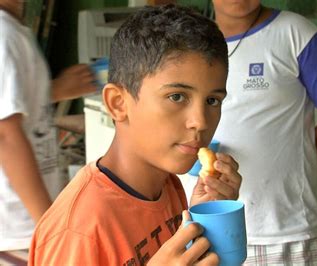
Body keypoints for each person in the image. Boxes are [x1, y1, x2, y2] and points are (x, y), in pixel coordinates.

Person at [29, 4, 242, 265]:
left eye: (212, 101)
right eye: (176, 97)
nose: (200, 122)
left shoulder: (167, 186)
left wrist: (205, 219)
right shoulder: (79, 230)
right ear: (118, 103)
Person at [208, 1, 317, 264]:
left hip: (281, 233)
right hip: (208, 228)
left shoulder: (294, 33)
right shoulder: (191, 41)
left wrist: (289, 160)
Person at [0, 0, 96, 262]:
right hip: (16, 228)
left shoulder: (14, 31)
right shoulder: (3, 34)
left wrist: (57, 89)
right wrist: (50, 226)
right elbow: (5, 136)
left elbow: (15, 103)